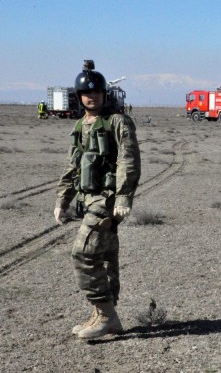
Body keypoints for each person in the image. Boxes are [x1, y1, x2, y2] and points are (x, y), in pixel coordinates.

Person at [54, 61, 141, 339]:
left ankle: (104, 314)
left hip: (107, 200)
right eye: (86, 94)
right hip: (88, 199)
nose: (91, 97)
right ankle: (105, 316)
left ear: (105, 94)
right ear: (79, 97)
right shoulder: (81, 125)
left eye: (96, 93)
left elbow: (128, 159)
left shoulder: (118, 121)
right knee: (104, 258)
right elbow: (73, 166)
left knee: (83, 253)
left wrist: (124, 196)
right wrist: (62, 200)